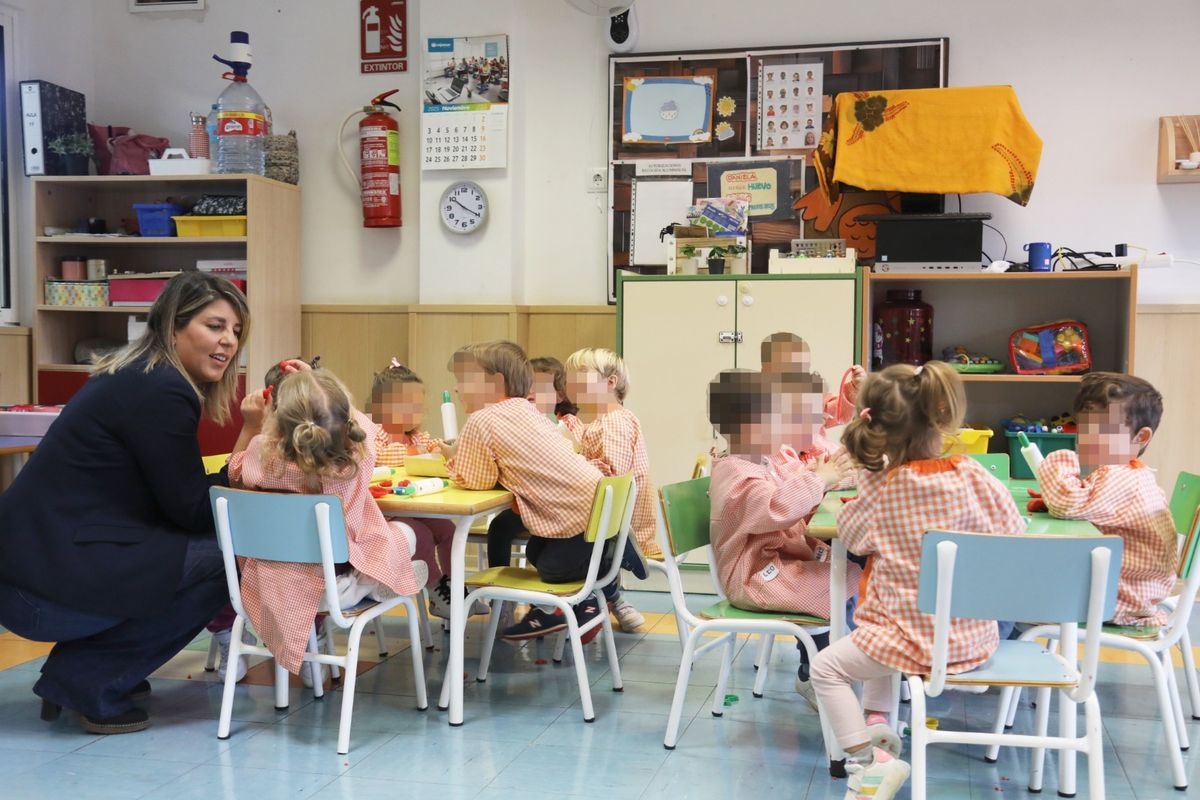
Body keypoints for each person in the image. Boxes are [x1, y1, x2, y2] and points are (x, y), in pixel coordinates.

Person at [0, 271, 251, 734]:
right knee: (228, 558)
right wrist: (251, 469)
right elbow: (192, 510)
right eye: (214, 326)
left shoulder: (139, 376)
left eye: (235, 331)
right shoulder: (162, 389)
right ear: (174, 324)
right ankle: (88, 680)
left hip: (32, 567)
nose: (229, 341)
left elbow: (172, 498)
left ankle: (89, 670)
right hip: (40, 586)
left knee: (189, 550)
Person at [809, 361, 1025, 800]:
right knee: (876, 633)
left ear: (878, 434)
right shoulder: (977, 476)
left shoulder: (886, 487)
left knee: (827, 667)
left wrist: (862, 491)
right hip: (971, 640)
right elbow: (1013, 535)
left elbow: (853, 539)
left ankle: (866, 764)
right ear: (941, 417)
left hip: (905, 640)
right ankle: (879, 725)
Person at [229, 366, 422, 685]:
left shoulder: (259, 456)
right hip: (334, 589)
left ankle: (367, 583)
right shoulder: (353, 458)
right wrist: (318, 379)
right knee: (405, 534)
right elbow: (364, 427)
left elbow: (230, 474)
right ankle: (372, 581)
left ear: (278, 419)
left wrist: (252, 426)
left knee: (367, 540)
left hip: (269, 584)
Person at [707, 367, 861, 709]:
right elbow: (776, 506)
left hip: (776, 563)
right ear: (751, 426)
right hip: (753, 577)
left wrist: (821, 473)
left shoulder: (764, 460)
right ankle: (817, 673)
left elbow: (793, 484)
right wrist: (818, 479)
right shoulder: (736, 472)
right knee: (838, 582)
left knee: (850, 571)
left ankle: (830, 662)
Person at [445, 341, 605, 642]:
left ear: (495, 383)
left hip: (575, 522)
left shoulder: (482, 420)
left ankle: (566, 606)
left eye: (464, 380)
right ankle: (602, 570)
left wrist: (450, 461)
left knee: (548, 566)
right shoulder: (529, 411)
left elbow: (476, 479)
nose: (457, 389)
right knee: (534, 550)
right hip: (597, 510)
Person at [1035, 372, 1175, 626]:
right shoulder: (1135, 473)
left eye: (1102, 431)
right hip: (1134, 592)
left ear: (1140, 437)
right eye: (1084, 428)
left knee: (1013, 590)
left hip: (1117, 597)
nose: (1085, 440)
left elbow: (1066, 503)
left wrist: (1059, 461)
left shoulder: (1121, 477)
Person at [365, 358, 487, 620]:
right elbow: (385, 456)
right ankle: (437, 589)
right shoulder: (374, 435)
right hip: (385, 513)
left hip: (416, 505)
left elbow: (432, 446)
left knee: (448, 530)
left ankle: (458, 590)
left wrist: (437, 448)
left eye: (419, 406)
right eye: (410, 406)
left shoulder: (416, 436)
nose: (417, 412)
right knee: (420, 535)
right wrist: (417, 451)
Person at [565, 347, 657, 633]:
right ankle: (606, 595)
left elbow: (610, 476)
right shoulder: (609, 420)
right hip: (615, 519)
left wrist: (572, 458)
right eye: (569, 379)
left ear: (611, 382)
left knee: (554, 535)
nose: (572, 385)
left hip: (618, 523)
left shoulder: (613, 423)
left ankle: (584, 598)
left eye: (581, 377)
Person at [485, 354, 583, 572]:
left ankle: (543, 597)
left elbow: (576, 450)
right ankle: (501, 596)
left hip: (558, 504)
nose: (531, 393)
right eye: (527, 386)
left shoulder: (568, 422)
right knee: (499, 526)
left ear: (560, 394)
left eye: (539, 388)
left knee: (536, 542)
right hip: (526, 503)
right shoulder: (517, 422)